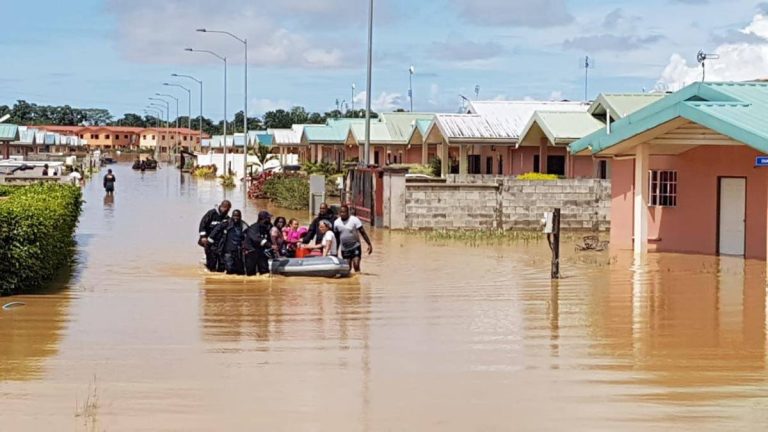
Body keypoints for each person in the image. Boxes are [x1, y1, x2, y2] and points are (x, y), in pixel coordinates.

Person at [334, 204, 373, 272]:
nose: (342, 214)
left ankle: (357, 280)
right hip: (345, 248)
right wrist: (335, 250)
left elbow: (362, 232)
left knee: (356, 265)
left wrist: (369, 244)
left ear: (348, 212)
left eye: (344, 212)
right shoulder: (336, 223)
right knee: (347, 268)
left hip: (355, 246)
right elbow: (337, 238)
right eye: (341, 212)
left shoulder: (354, 220)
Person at [208, 210, 248, 275]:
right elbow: (216, 230)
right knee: (229, 269)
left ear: (240, 216)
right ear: (232, 216)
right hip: (227, 250)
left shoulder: (244, 225)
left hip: (238, 251)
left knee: (240, 271)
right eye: (234, 216)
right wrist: (210, 239)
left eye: (238, 216)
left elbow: (248, 236)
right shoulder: (226, 223)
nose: (236, 218)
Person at [198, 200, 232, 272]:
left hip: (219, 242)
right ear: (222, 207)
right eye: (226, 209)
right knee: (210, 259)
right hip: (208, 240)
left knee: (220, 261)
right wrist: (203, 237)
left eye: (228, 210)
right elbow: (202, 224)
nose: (227, 211)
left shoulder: (227, 218)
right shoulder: (211, 213)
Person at [244, 211, 274, 276]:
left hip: (261, 252)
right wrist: (269, 244)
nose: (269, 220)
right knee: (251, 273)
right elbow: (256, 239)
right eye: (268, 218)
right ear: (262, 219)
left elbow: (268, 239)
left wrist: (272, 247)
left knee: (265, 272)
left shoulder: (266, 228)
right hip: (251, 252)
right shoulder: (253, 227)